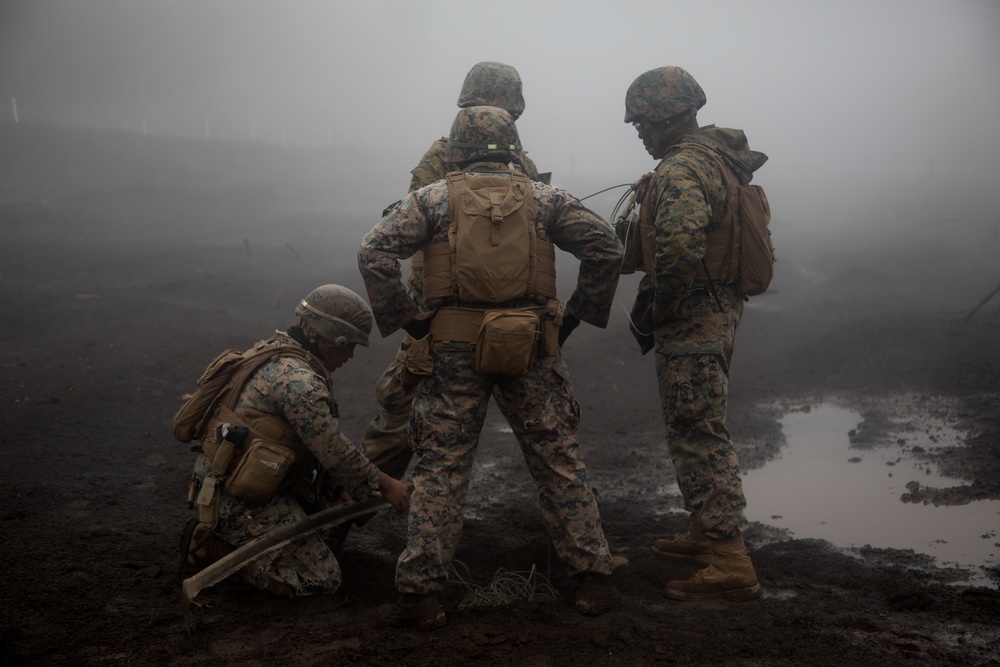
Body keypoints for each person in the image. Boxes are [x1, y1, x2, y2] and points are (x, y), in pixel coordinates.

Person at [358, 106, 623, 630]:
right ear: (514, 147)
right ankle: (592, 576)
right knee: (557, 457)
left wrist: (409, 322)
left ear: (457, 148)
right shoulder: (545, 198)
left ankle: (422, 594)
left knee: (442, 466)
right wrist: (573, 319)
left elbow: (374, 252)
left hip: (453, 351)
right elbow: (607, 248)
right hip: (531, 347)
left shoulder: (433, 198)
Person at [360, 61, 549, 488]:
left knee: (547, 434)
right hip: (448, 310)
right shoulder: (445, 157)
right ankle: (337, 517)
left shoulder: (519, 163)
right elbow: (403, 223)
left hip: (504, 311)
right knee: (402, 425)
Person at [622, 66, 767, 601]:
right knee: (696, 421)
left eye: (642, 121)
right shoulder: (714, 161)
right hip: (718, 307)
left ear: (665, 116)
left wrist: (661, 306)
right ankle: (706, 531)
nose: (638, 131)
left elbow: (680, 246)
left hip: (694, 316)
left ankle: (729, 557)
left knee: (697, 429)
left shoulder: (683, 169)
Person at [178, 284, 410, 597]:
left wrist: (339, 490)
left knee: (330, 524)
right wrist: (386, 484)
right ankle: (213, 548)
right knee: (319, 579)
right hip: (238, 498)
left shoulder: (278, 351)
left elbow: (309, 445)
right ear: (329, 337)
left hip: (258, 480)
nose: (350, 356)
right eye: (348, 345)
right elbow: (332, 448)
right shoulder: (297, 380)